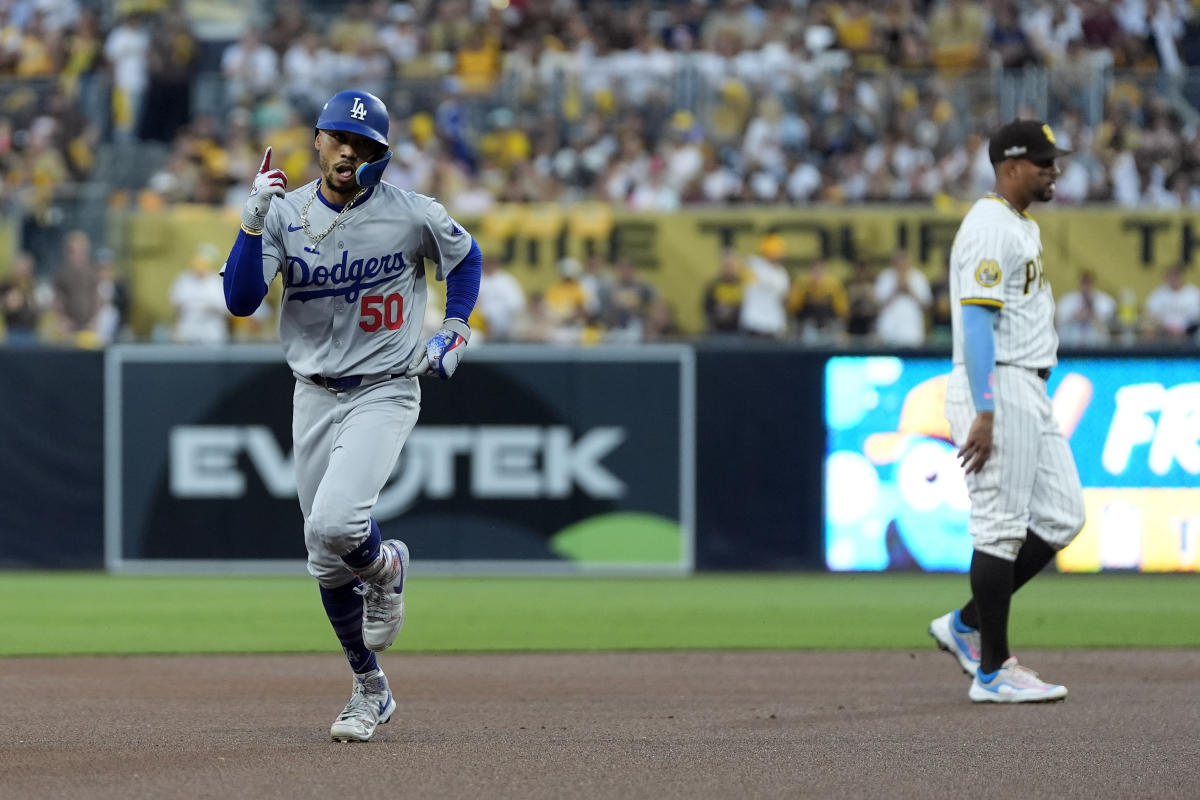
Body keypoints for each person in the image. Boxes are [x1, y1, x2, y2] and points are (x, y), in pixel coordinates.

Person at [221, 89, 481, 741]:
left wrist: (454, 326)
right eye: (339, 138)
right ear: (318, 141)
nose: (348, 151)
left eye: (363, 144)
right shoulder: (286, 213)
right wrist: (251, 223)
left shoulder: (409, 213)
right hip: (313, 391)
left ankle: (386, 568)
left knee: (337, 521)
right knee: (324, 553)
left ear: (379, 156)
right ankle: (370, 687)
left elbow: (466, 257)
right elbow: (241, 301)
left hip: (384, 385)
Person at [930, 119, 1084, 704]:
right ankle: (993, 671)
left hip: (1028, 386)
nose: (1054, 170)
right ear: (1010, 165)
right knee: (999, 528)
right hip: (999, 385)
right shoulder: (991, 226)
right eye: (1043, 162)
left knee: (1063, 515)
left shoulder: (1017, 224)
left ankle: (967, 624)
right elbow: (976, 321)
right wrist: (986, 408)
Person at [170, 243, 230, 345]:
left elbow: (225, 309)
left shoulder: (217, 282)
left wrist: (206, 307)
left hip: (212, 329)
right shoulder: (184, 279)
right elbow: (175, 302)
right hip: (188, 326)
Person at [1055, 269, 1116, 346]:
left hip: (1096, 345)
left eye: (1088, 283)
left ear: (1093, 283)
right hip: (1071, 345)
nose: (1086, 286)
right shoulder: (1067, 300)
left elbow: (1110, 319)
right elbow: (1059, 319)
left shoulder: (1104, 300)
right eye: (1084, 283)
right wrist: (1075, 315)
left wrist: (1092, 314)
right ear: (1079, 283)